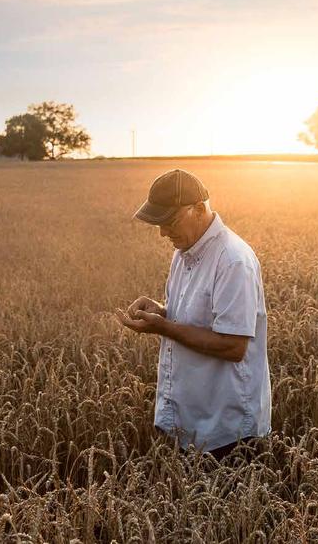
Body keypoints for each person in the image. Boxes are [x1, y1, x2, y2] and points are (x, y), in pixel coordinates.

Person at [115, 168, 271, 461]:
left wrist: (163, 327)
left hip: (227, 430)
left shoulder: (233, 260)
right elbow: (191, 320)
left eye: (169, 221)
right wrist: (160, 311)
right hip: (191, 418)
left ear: (199, 209)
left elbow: (233, 345)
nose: (163, 233)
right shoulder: (185, 250)